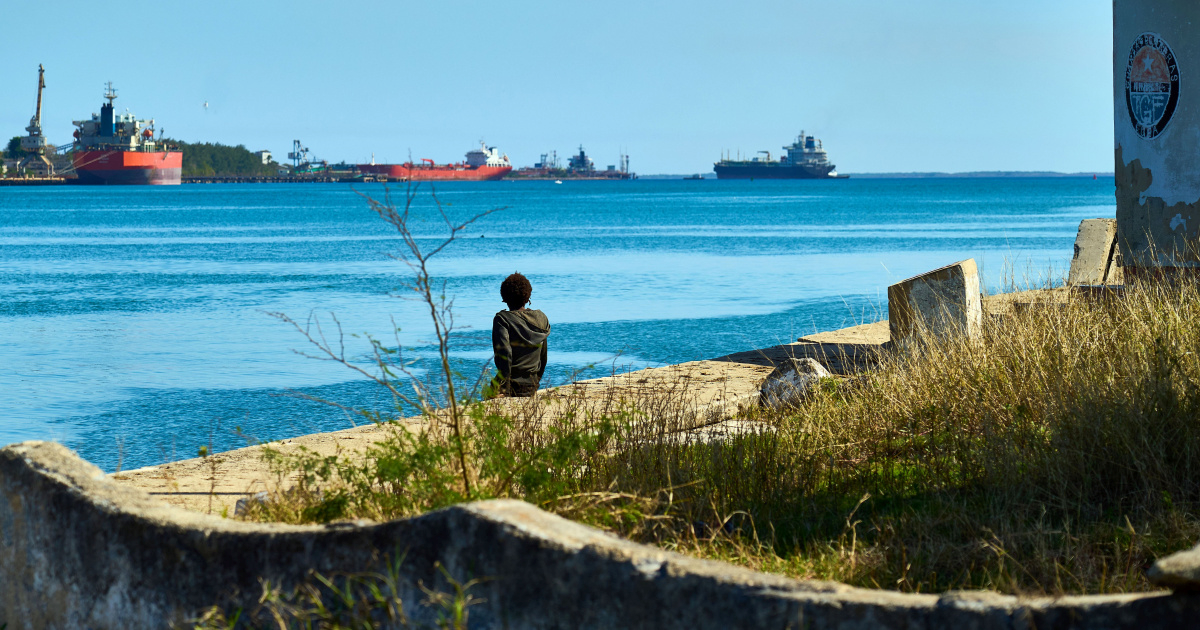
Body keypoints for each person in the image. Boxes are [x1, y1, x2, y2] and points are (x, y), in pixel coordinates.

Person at [489, 272, 550, 398]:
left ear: (504, 297)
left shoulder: (502, 319)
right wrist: (535, 382)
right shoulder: (541, 318)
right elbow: (543, 358)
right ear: (528, 297)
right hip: (531, 385)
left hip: (511, 385)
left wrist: (501, 387)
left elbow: (505, 356)